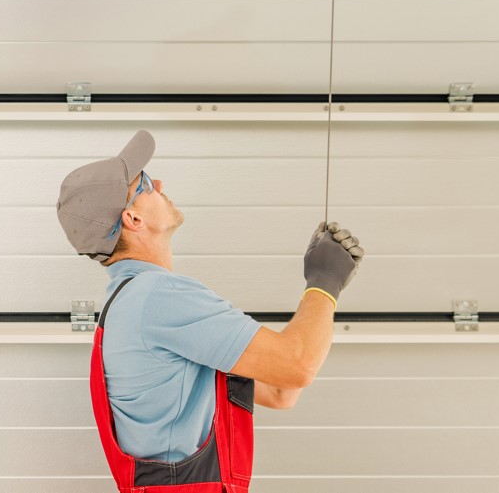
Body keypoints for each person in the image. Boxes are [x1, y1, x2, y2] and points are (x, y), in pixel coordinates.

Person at [55, 130, 363, 492]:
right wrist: (325, 281)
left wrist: (317, 290)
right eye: (147, 185)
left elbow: (282, 391)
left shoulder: (133, 303)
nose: (160, 183)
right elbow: (296, 367)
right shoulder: (159, 297)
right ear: (133, 219)